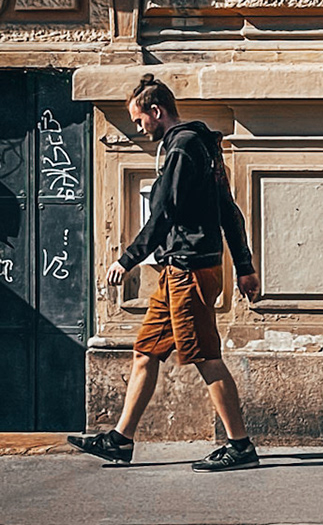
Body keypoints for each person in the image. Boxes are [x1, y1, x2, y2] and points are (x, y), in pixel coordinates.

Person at [68, 74, 261, 470]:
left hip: (189, 271)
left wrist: (128, 258)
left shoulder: (182, 150)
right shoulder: (200, 147)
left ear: (157, 111)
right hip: (177, 272)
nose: (139, 128)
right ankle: (121, 441)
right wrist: (243, 266)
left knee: (206, 356)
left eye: (140, 121)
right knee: (145, 352)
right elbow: (229, 210)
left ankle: (240, 446)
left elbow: (163, 215)